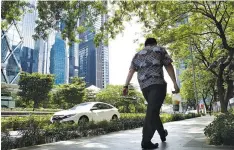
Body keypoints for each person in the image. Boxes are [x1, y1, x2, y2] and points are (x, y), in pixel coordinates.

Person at [123, 38, 180, 149]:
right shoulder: (160, 49)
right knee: (153, 111)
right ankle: (146, 141)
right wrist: (175, 83)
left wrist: (125, 85)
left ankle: (162, 133)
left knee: (152, 110)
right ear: (154, 43)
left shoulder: (137, 55)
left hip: (144, 87)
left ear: (145, 45)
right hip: (158, 85)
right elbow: (168, 65)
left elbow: (131, 71)